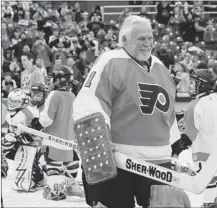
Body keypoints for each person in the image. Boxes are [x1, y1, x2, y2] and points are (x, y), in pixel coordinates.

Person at [73, 15, 187, 208]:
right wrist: (99, 142)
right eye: (141, 38)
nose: (148, 43)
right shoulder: (111, 61)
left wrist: (175, 143)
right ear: (124, 39)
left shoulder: (161, 68)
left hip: (158, 161)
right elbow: (89, 100)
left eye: (150, 38)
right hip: (119, 162)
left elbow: (166, 112)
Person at [181, 68, 217, 208]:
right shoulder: (215, 99)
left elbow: (189, 132)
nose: (191, 85)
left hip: (204, 149)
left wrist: (179, 146)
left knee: (205, 177)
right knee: (213, 174)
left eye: (194, 82)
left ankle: (209, 203)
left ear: (203, 85)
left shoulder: (194, 104)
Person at [34, 65, 84, 201]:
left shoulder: (54, 95)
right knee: (70, 164)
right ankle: (68, 186)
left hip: (53, 139)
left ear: (59, 79)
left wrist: (37, 122)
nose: (52, 81)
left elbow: (46, 120)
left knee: (51, 164)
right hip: (68, 141)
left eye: (54, 78)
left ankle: (56, 191)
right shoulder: (72, 95)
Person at [1, 87, 47, 192]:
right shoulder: (10, 115)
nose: (12, 104)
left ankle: (39, 179)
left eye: (16, 101)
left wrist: (15, 137)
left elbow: (33, 136)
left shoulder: (30, 113)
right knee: (3, 142)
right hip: (20, 142)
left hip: (35, 145)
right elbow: (11, 131)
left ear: (23, 101)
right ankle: (3, 166)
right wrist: (9, 136)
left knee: (28, 157)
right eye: (10, 101)